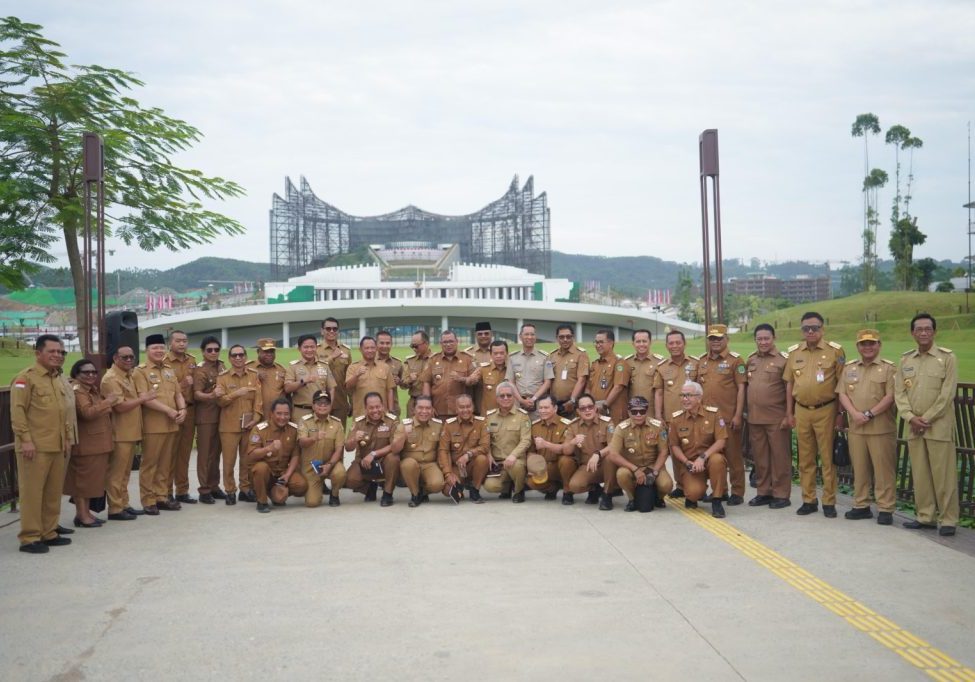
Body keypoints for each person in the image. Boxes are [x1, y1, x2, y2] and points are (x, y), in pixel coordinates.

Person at [894, 313, 959, 536]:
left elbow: (947, 393)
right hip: (913, 426)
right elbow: (899, 393)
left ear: (934, 332)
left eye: (927, 329)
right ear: (912, 333)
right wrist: (911, 417)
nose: (923, 332)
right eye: (919, 329)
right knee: (920, 474)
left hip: (938, 427)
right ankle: (926, 516)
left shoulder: (947, 358)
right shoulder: (906, 360)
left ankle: (948, 519)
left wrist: (927, 418)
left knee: (944, 476)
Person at [11, 335, 76, 553]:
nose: (58, 355)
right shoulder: (25, 379)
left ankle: (48, 532)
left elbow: (63, 413)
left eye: (60, 352)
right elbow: (18, 412)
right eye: (52, 351)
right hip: (35, 447)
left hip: (57, 445)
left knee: (52, 492)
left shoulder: (57, 378)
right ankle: (29, 537)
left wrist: (67, 438)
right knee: (32, 493)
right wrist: (25, 440)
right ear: (38, 353)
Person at [783, 312, 845, 518]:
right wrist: (789, 413)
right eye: (806, 328)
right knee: (805, 458)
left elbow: (841, 385)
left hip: (826, 410)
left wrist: (840, 414)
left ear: (822, 329)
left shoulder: (835, 352)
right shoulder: (794, 353)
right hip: (801, 410)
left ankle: (829, 501)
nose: (810, 331)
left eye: (815, 328)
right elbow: (789, 383)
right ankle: (808, 499)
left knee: (827, 459)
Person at [837, 329, 897, 525]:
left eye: (872, 343)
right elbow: (843, 394)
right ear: (858, 347)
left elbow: (890, 396)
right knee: (860, 469)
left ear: (879, 345)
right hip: (857, 427)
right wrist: (854, 414)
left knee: (883, 471)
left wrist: (870, 413)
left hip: (880, 427)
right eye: (864, 344)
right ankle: (861, 505)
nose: (868, 347)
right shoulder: (849, 368)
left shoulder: (888, 368)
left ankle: (885, 508)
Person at [133, 333, 186, 515]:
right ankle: (148, 500)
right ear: (147, 350)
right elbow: (144, 399)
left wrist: (183, 409)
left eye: (161, 348)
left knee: (165, 464)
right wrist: (168, 411)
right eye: (154, 348)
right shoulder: (140, 371)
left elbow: (177, 393)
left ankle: (161, 497)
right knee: (150, 464)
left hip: (172, 425)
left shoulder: (169, 369)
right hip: (153, 426)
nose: (159, 351)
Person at [697, 324, 747, 505]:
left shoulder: (736, 361)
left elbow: (741, 389)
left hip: (728, 418)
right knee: (715, 458)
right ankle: (720, 491)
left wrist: (738, 415)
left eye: (719, 338)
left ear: (727, 339)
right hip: (708, 421)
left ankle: (738, 492)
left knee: (733, 457)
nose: (715, 342)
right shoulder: (702, 361)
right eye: (712, 339)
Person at [744, 324, 792, 509]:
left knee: (779, 458)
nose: (763, 342)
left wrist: (788, 415)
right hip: (755, 419)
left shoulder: (783, 360)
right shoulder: (752, 360)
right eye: (759, 339)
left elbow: (789, 389)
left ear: (774, 338)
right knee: (760, 458)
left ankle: (781, 494)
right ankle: (763, 492)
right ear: (755, 340)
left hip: (776, 418)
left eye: (766, 338)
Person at [668, 382, 729, 518]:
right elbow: (674, 446)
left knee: (717, 460)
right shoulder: (676, 418)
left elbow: (721, 441)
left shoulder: (713, 414)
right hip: (690, 464)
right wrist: (687, 462)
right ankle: (696, 492)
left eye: (689, 395)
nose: (685, 399)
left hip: (709, 460)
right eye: (682, 395)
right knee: (693, 493)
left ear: (699, 398)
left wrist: (703, 457)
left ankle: (717, 500)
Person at [66, 359, 115, 527]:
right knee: (83, 483)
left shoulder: (90, 389)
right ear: (76, 374)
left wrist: (103, 405)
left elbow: (98, 411)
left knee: (90, 483)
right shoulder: (78, 390)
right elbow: (87, 413)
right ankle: (82, 515)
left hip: (96, 443)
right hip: (87, 444)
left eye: (94, 372)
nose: (91, 375)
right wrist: (107, 402)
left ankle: (85, 513)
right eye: (86, 373)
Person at [100, 346, 147, 520]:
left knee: (125, 473)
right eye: (124, 357)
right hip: (119, 433)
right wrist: (144, 398)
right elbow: (119, 407)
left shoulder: (127, 375)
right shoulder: (111, 379)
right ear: (115, 358)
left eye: (131, 357)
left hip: (130, 431)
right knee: (116, 473)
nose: (129, 360)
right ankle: (115, 508)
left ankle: (123, 503)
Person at [607, 396, 673, 512]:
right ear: (629, 412)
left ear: (646, 411)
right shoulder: (621, 428)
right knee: (622, 474)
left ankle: (658, 497)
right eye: (634, 411)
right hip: (632, 466)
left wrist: (654, 471)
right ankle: (632, 499)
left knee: (666, 485)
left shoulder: (657, 426)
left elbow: (664, 451)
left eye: (642, 411)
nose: (638, 415)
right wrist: (635, 469)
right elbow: (613, 454)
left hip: (653, 465)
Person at [216, 344, 262, 504]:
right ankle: (230, 490)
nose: (238, 358)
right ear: (229, 358)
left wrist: (256, 418)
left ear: (246, 357)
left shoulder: (254, 375)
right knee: (229, 461)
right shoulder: (223, 377)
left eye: (241, 355)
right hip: (229, 426)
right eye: (234, 355)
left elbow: (259, 400)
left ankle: (245, 488)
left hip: (248, 425)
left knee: (246, 460)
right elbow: (220, 402)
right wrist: (236, 394)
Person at [245, 399, 307, 513]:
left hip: (281, 474)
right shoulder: (260, 429)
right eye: (279, 413)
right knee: (261, 468)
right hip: (265, 473)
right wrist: (268, 449)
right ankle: (262, 501)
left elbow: (295, 455)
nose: (282, 417)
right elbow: (251, 455)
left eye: (286, 414)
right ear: (271, 414)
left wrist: (288, 475)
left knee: (301, 485)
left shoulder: (293, 429)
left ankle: (276, 492)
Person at [343, 392, 401, 506]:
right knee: (349, 480)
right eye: (371, 408)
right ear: (365, 408)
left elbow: (394, 445)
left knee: (393, 458)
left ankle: (388, 493)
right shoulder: (358, 423)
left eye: (378, 407)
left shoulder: (392, 421)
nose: (375, 410)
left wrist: (374, 454)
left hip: (384, 461)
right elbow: (348, 448)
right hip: (364, 463)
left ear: (383, 406)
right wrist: (354, 439)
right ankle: (369, 487)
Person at [558, 393, 616, 505]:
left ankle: (607, 494)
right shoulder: (573, 426)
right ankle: (594, 489)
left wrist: (598, 454)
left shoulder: (607, 423)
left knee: (610, 457)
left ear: (595, 408)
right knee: (575, 486)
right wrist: (573, 442)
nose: (587, 410)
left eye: (590, 407)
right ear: (578, 412)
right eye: (583, 408)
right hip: (587, 466)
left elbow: (613, 445)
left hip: (605, 464)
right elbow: (566, 451)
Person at [482, 382, 532, 502]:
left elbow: (526, 440)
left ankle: (519, 491)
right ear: (497, 398)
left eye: (509, 395)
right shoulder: (490, 417)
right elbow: (484, 439)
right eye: (502, 395)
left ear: (514, 397)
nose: (506, 398)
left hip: (516, 460)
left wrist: (513, 455)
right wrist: (488, 454)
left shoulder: (523, 416)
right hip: (498, 462)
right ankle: (506, 488)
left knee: (516, 467)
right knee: (490, 486)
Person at [391, 395, 445, 507]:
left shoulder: (438, 425)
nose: (424, 411)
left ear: (432, 410)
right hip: (410, 464)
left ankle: (422, 491)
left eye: (428, 408)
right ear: (414, 409)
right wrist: (404, 436)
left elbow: (443, 448)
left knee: (437, 485)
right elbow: (395, 449)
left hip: (430, 464)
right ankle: (415, 495)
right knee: (409, 464)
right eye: (420, 408)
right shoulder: (404, 425)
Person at [297, 390, 346, 507]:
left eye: (326, 403)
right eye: (319, 403)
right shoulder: (305, 421)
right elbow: (302, 442)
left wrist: (329, 465)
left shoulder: (337, 423)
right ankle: (317, 487)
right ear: (313, 405)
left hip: (330, 464)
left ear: (330, 406)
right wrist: (314, 438)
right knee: (312, 503)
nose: (323, 406)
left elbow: (339, 449)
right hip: (311, 468)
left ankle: (334, 494)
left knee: (340, 473)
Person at [165, 330, 198, 504]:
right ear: (170, 343)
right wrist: (182, 384)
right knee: (170, 453)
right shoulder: (164, 362)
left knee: (185, 454)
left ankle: (182, 491)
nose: (182, 344)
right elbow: (163, 389)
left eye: (184, 340)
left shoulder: (191, 360)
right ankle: (166, 491)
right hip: (172, 411)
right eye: (178, 341)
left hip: (190, 411)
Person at [438, 394, 490, 503]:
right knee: (447, 490)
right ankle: (459, 488)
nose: (465, 410)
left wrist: (469, 454)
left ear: (473, 407)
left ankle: (475, 490)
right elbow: (443, 450)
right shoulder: (449, 425)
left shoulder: (481, 423)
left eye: (468, 406)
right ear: (456, 409)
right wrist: (448, 473)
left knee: (482, 459)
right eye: (461, 407)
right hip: (457, 467)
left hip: (473, 464)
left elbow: (485, 446)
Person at [193, 336, 226, 503]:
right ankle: (204, 489)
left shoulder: (221, 365)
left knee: (216, 454)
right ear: (203, 351)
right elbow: (196, 394)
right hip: (206, 416)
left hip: (221, 415)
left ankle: (214, 486)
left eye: (216, 349)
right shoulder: (200, 369)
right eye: (209, 350)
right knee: (205, 455)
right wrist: (211, 395)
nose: (213, 352)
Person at [420, 329, 474, 419]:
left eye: (451, 341)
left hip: (462, 412)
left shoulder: (467, 359)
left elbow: (474, 380)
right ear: (441, 343)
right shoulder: (433, 359)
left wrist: (462, 379)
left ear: (457, 342)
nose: (448, 344)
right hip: (438, 411)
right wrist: (428, 406)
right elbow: (426, 382)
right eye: (445, 342)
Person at [527, 395, 572, 500]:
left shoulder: (566, 425)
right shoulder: (535, 426)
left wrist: (546, 444)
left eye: (546, 408)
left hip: (560, 466)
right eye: (540, 408)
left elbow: (566, 449)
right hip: (544, 466)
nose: (543, 411)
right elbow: (531, 451)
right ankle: (552, 488)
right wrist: (532, 465)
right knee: (530, 482)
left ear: (555, 408)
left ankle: (567, 490)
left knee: (566, 461)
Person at [285, 334, 337, 421]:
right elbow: (287, 388)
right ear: (299, 349)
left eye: (312, 347)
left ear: (316, 348)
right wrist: (303, 381)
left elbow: (331, 388)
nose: (309, 350)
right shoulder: (293, 366)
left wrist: (329, 406)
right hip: (300, 411)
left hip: (321, 411)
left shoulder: (324, 365)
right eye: (306, 347)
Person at [506, 323, 554, 417]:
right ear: (520, 336)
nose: (530, 337)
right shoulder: (513, 357)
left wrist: (533, 399)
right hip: (518, 404)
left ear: (536, 337)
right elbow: (510, 381)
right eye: (526, 334)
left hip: (538, 405)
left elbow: (548, 382)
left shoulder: (544, 357)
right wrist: (521, 400)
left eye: (532, 334)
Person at [346, 336, 396, 418]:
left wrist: (390, 410)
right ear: (360, 349)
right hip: (361, 414)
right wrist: (356, 375)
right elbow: (348, 386)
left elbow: (389, 390)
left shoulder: (385, 367)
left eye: (372, 348)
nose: (370, 350)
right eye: (367, 348)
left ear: (376, 348)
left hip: (381, 414)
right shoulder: (353, 367)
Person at [587, 329, 629, 424]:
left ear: (611, 343)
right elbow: (588, 387)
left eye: (601, 342)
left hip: (612, 413)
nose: (598, 345)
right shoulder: (595, 364)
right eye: (596, 342)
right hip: (595, 412)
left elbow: (618, 387)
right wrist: (589, 406)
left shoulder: (619, 363)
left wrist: (604, 405)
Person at [317, 317, 353, 424]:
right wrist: (332, 357)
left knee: (339, 434)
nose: (332, 331)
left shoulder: (345, 350)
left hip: (340, 400)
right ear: (322, 331)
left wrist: (351, 401)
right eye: (328, 329)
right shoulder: (316, 349)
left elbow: (349, 378)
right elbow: (317, 370)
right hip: (320, 400)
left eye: (334, 329)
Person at [549, 324, 589, 417]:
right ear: (557, 338)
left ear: (573, 337)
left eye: (568, 336)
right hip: (555, 405)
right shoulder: (552, 356)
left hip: (573, 405)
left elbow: (582, 380)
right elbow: (549, 381)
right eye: (561, 337)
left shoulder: (581, 354)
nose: (565, 339)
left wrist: (572, 400)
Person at [466, 339, 509, 416]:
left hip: (508, 414)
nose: (498, 356)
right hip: (489, 415)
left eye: (501, 353)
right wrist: (471, 379)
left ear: (507, 353)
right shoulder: (483, 369)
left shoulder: (512, 369)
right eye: (495, 353)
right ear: (491, 354)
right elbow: (469, 381)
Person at [247, 337, 287, 419]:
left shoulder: (281, 369)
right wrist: (255, 377)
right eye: (265, 351)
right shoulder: (248, 367)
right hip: (254, 415)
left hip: (276, 417)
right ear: (258, 352)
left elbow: (287, 393)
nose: (269, 354)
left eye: (272, 351)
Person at [625, 329, 661, 414]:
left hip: (651, 411)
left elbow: (661, 391)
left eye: (644, 341)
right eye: (638, 341)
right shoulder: (626, 362)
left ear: (650, 342)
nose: (641, 344)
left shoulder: (659, 362)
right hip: (632, 412)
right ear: (633, 343)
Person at [402, 330, 432, 417]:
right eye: (412, 346)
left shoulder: (436, 360)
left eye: (416, 346)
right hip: (414, 403)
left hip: (432, 402)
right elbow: (403, 385)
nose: (414, 349)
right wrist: (410, 380)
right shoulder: (410, 361)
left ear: (426, 343)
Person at [375, 330, 404, 415]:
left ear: (391, 344)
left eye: (388, 343)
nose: (385, 346)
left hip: (393, 408)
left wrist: (400, 381)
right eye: (382, 343)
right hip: (373, 408)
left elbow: (405, 384)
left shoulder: (397, 363)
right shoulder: (369, 362)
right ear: (376, 344)